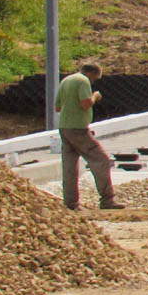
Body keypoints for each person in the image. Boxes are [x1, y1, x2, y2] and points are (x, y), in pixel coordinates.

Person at [55, 61, 121, 211]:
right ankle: (107, 200)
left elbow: (58, 107)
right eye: (95, 78)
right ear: (91, 73)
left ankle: (71, 203)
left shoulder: (66, 80)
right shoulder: (83, 81)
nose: (94, 81)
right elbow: (85, 104)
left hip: (65, 128)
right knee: (101, 160)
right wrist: (95, 96)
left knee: (70, 166)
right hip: (78, 129)